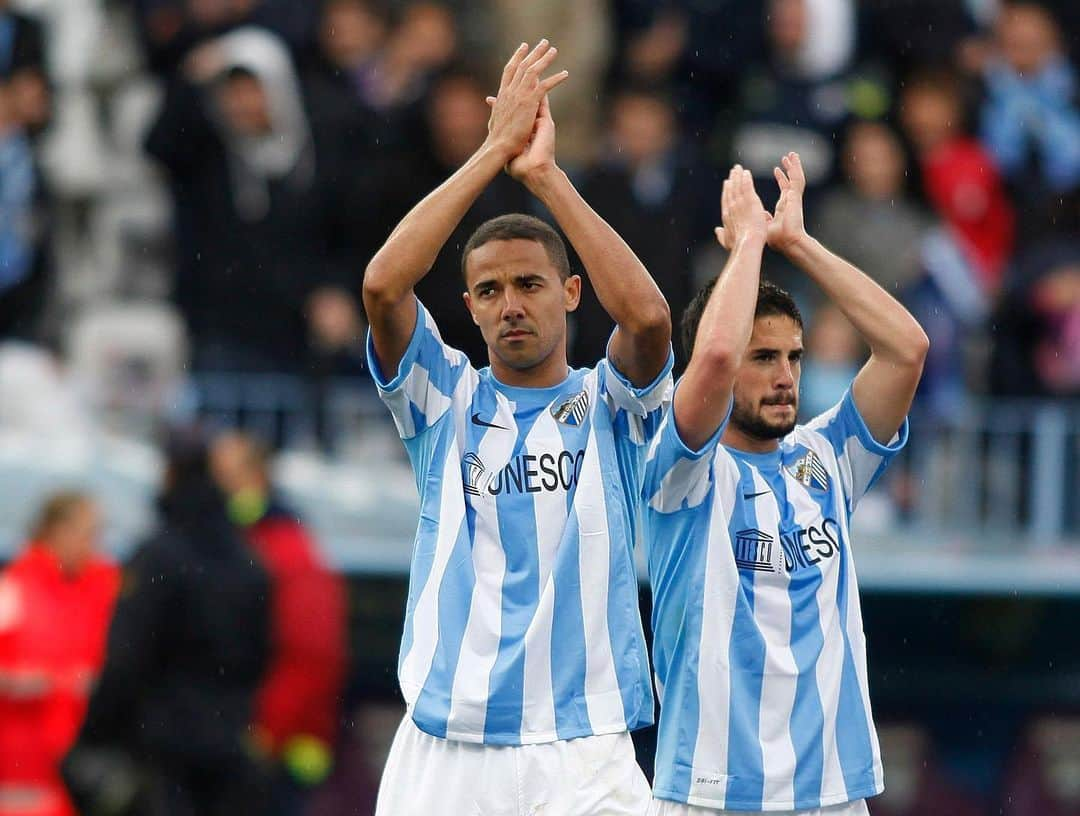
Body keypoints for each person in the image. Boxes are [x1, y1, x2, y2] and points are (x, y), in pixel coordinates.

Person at [362, 40, 673, 815]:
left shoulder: (611, 403)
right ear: (467, 308)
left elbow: (649, 316)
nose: (511, 304)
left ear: (571, 293)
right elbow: (381, 284)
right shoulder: (443, 400)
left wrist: (545, 177)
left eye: (530, 284)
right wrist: (490, 152)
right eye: (490, 289)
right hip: (449, 740)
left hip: (584, 744)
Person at [642, 154, 928, 815]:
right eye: (763, 357)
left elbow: (906, 350)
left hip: (831, 792)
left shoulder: (826, 458)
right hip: (712, 794)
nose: (785, 376)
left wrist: (798, 244)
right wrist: (747, 243)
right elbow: (713, 357)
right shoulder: (681, 470)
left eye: (793, 357)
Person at [64, 427, 271, 816]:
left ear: (170, 474)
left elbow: (127, 657)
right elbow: (259, 657)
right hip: (228, 751)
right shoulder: (248, 560)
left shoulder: (159, 557)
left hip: (162, 758)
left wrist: (92, 736)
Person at [210, 430, 347, 816]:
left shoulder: (285, 550)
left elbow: (312, 655)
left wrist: (264, 732)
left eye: (226, 475)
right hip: (258, 745)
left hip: (276, 754)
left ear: (256, 478)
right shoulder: (255, 544)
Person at [0, 493, 119, 816]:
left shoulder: (104, 586)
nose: (93, 544)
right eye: (88, 533)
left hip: (81, 757)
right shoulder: (14, 586)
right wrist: (17, 681)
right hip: (22, 758)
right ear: (56, 530)